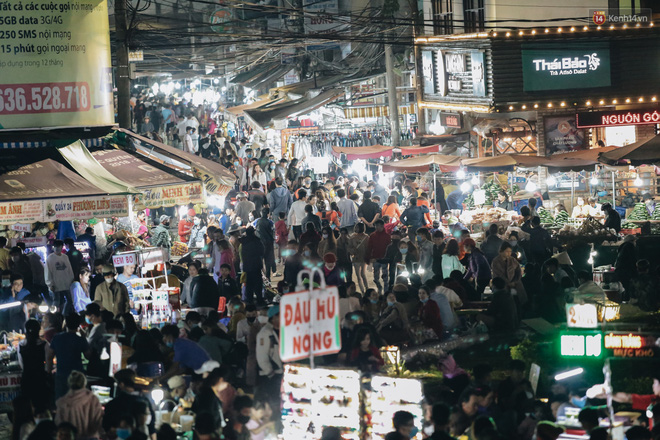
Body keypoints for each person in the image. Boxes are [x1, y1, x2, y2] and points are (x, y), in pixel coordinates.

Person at [47, 313, 90, 399]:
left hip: (61, 374)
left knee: (61, 401)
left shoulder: (57, 338)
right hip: (78, 376)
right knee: (78, 400)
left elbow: (50, 356)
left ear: (66, 324)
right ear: (78, 325)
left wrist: (49, 371)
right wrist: (84, 337)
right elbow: (88, 355)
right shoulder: (80, 339)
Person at [103, 369, 155, 437]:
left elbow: (107, 427)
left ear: (121, 384)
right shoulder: (145, 400)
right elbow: (152, 428)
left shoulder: (114, 404)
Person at [55, 371, 103, 440]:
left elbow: (59, 423)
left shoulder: (62, 402)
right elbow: (99, 420)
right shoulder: (93, 399)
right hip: (91, 437)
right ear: (84, 383)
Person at [256, 305, 282, 393]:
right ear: (273, 317)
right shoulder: (265, 333)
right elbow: (262, 356)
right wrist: (270, 373)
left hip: (280, 372)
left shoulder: (280, 330)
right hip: (271, 375)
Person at [47, 240, 75, 309]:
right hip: (56, 285)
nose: (57, 248)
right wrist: (50, 284)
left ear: (62, 247)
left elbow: (69, 269)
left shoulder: (65, 257)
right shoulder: (50, 258)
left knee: (69, 301)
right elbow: (47, 272)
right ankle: (54, 315)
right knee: (56, 301)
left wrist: (71, 279)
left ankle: (65, 314)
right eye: (56, 246)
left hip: (66, 284)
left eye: (59, 246)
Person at [241, 227, 265, 304]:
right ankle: (259, 300)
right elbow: (262, 252)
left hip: (247, 267)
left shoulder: (243, 242)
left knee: (249, 285)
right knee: (258, 284)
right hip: (256, 266)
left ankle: (249, 300)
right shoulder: (256, 241)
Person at [367, 219, 392, 294]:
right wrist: (370, 257)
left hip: (384, 259)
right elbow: (369, 247)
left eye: (378, 226)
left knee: (385, 277)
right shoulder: (372, 236)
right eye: (376, 226)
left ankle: (386, 291)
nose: (376, 227)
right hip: (376, 259)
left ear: (382, 226)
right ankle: (379, 287)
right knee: (375, 278)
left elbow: (389, 248)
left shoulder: (387, 236)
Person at [349, 223, 370, 293]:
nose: (356, 229)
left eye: (357, 227)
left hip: (363, 258)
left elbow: (368, 247)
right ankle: (363, 291)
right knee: (358, 275)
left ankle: (367, 289)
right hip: (356, 258)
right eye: (356, 227)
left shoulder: (366, 237)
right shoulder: (352, 236)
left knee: (363, 274)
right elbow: (350, 247)